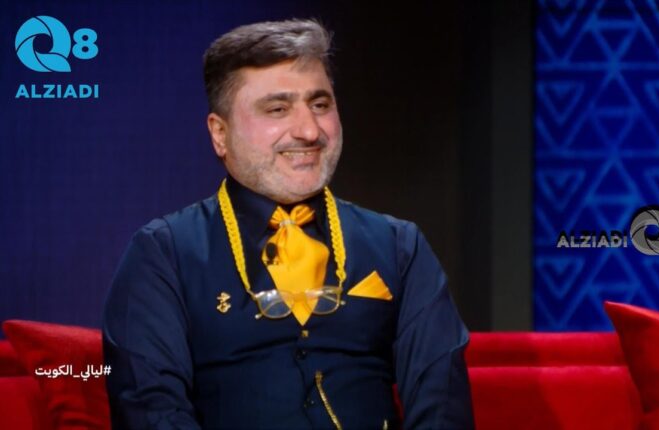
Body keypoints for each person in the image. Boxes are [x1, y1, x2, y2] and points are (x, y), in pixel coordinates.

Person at [103, 18, 474, 430]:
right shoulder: (163, 254)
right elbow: (151, 411)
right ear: (220, 134)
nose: (309, 131)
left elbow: (442, 407)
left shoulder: (400, 246)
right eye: (277, 109)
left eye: (320, 105)